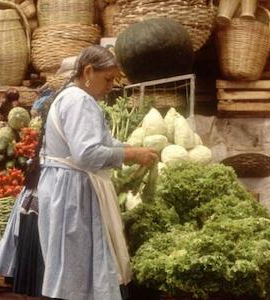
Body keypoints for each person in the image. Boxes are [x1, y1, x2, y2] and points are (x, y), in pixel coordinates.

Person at [38, 45, 159, 300]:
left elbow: (100, 141)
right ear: (89, 71)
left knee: (71, 263)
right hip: (72, 191)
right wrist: (130, 155)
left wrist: (129, 148)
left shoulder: (70, 96)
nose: (111, 86)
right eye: (108, 79)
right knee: (77, 263)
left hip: (63, 186)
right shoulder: (79, 100)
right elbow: (87, 153)